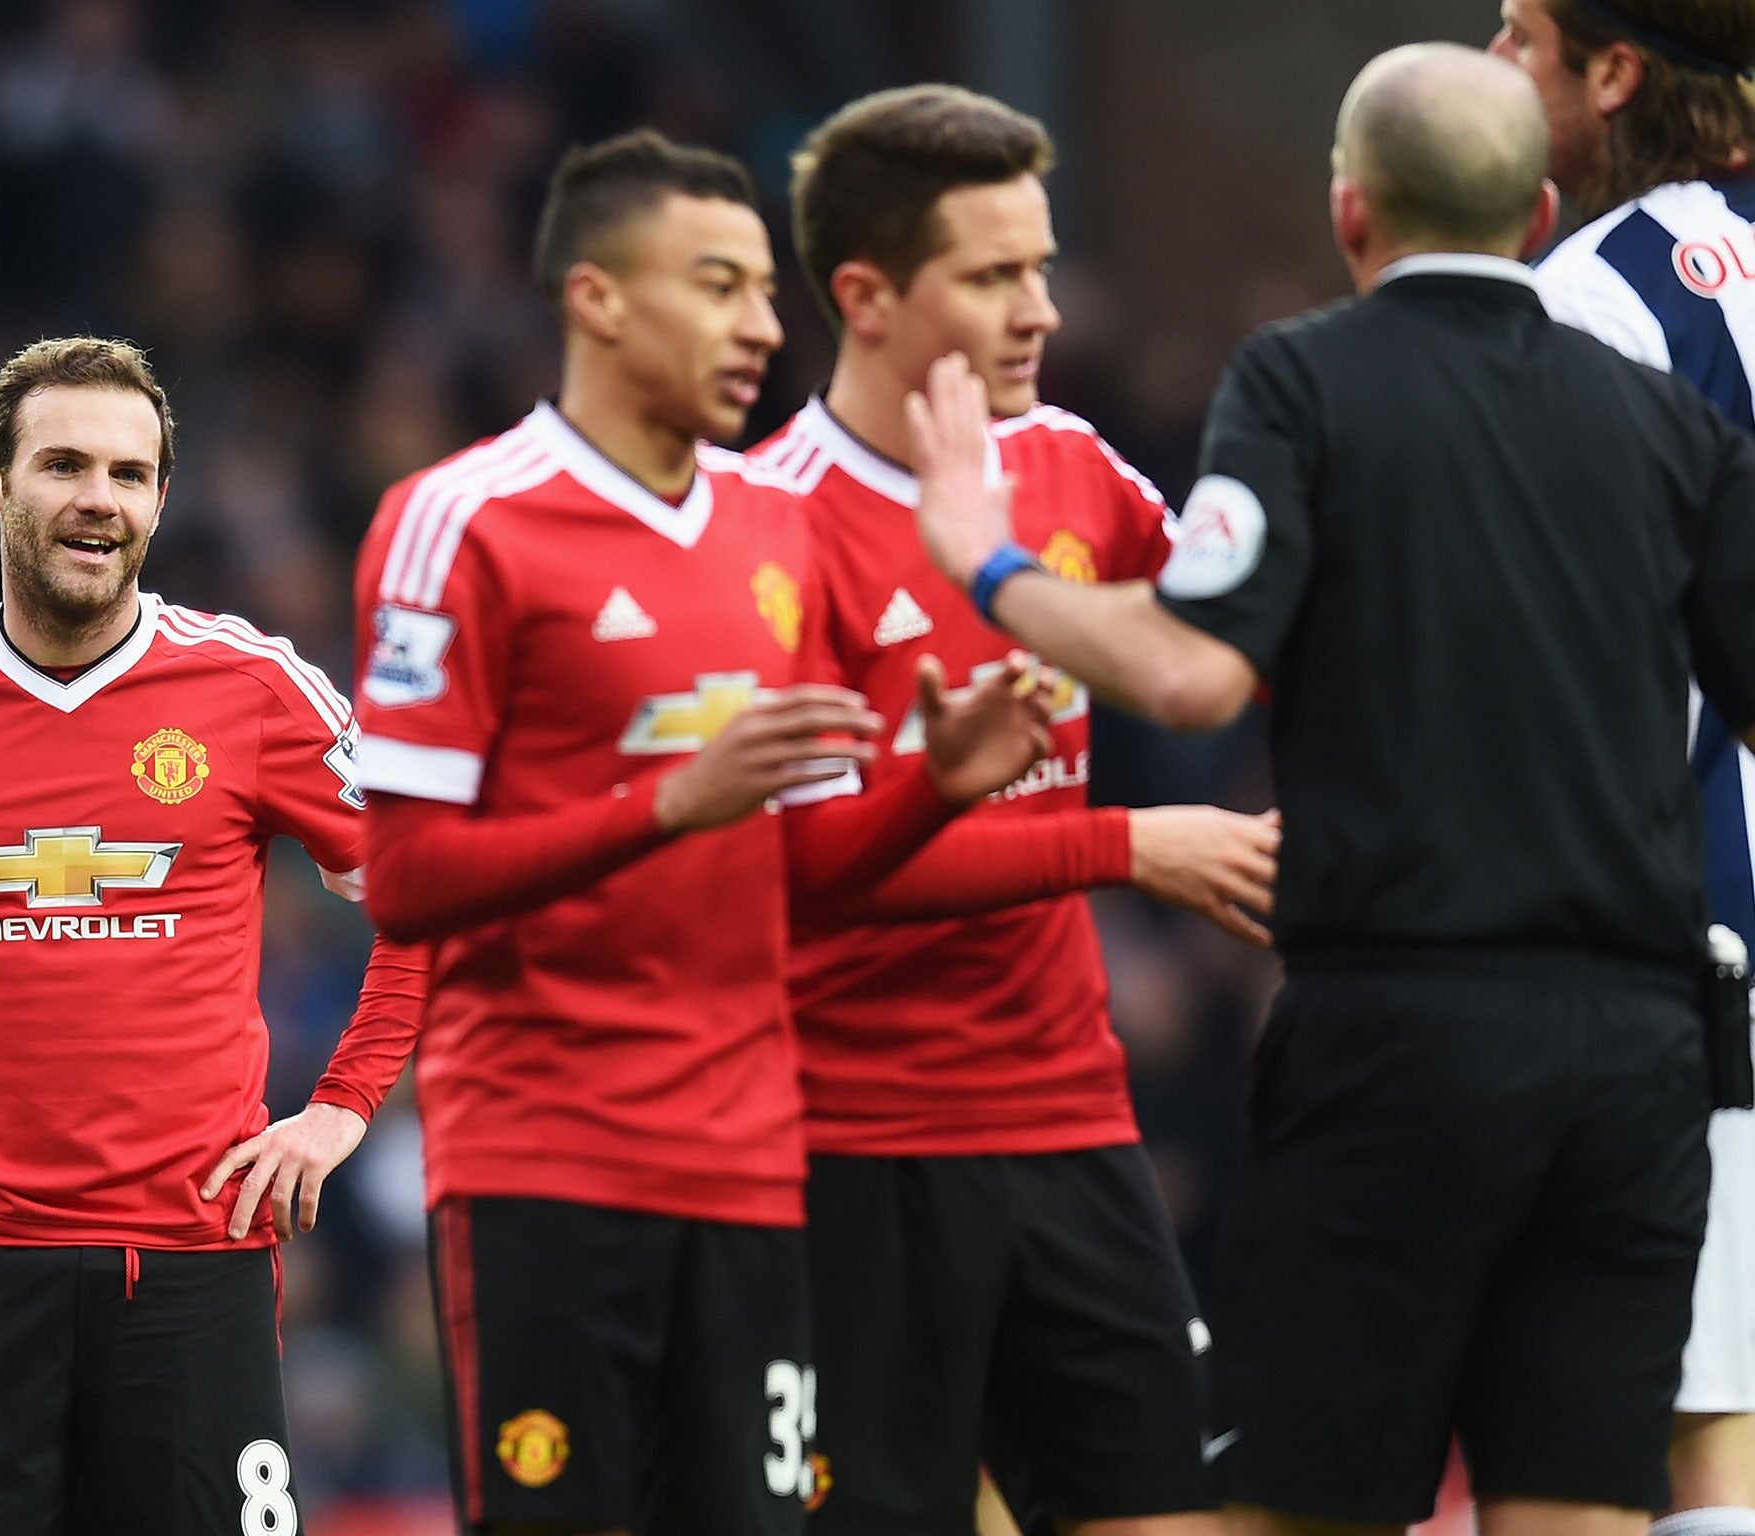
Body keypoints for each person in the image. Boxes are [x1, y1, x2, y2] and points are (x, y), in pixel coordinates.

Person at [904, 42, 1755, 1536]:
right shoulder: (1673, 427)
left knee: (1303, 1501)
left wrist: (986, 555)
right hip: (1640, 1052)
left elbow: (1189, 676)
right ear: (1536, 204)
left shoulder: (1307, 379)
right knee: (1591, 1508)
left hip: (1409, 1028)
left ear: (1350, 210)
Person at [351, 129, 1053, 1536]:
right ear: (597, 299)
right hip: (546, 1160)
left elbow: (801, 869)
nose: (760, 325)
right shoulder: (461, 523)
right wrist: (662, 804)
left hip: (750, 1163)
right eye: (718, 285)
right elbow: (404, 884)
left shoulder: (774, 526)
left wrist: (938, 785)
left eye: (764, 293)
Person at [0, 337, 425, 1535]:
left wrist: (341, 1109)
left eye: (130, 473)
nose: (99, 497)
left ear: (159, 497)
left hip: (197, 1273)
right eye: (62, 464)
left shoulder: (253, 690)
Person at [747, 83, 1279, 1536]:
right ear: (864, 295)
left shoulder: (1075, 470)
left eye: (1040, 264)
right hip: (851, 1151)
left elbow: (1233, 660)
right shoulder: (760, 533)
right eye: (993, 275)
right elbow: (808, 873)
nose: (1041, 306)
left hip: (1072, 1126)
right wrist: (1122, 846)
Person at [1492, 4, 1755, 1529]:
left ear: (1617, 73)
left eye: (1520, 33)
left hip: (1686, 942)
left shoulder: (1594, 295)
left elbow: (1563, 658)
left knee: (1691, 1429)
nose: (1493, 60)